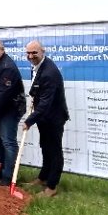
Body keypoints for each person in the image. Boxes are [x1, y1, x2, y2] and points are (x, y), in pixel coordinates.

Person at [24, 40, 69, 197]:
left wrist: (29, 121)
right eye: (28, 53)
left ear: (43, 51)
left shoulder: (49, 72)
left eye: (34, 53)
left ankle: (51, 186)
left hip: (54, 117)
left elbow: (45, 103)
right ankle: (43, 177)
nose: (31, 56)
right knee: (45, 147)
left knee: (54, 151)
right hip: (44, 116)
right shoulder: (38, 67)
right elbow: (38, 90)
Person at [0, 39, 26, 186]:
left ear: (2, 50)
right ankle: (0, 169)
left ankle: (8, 177)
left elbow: (4, 94)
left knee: (8, 141)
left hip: (11, 108)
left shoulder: (8, 67)